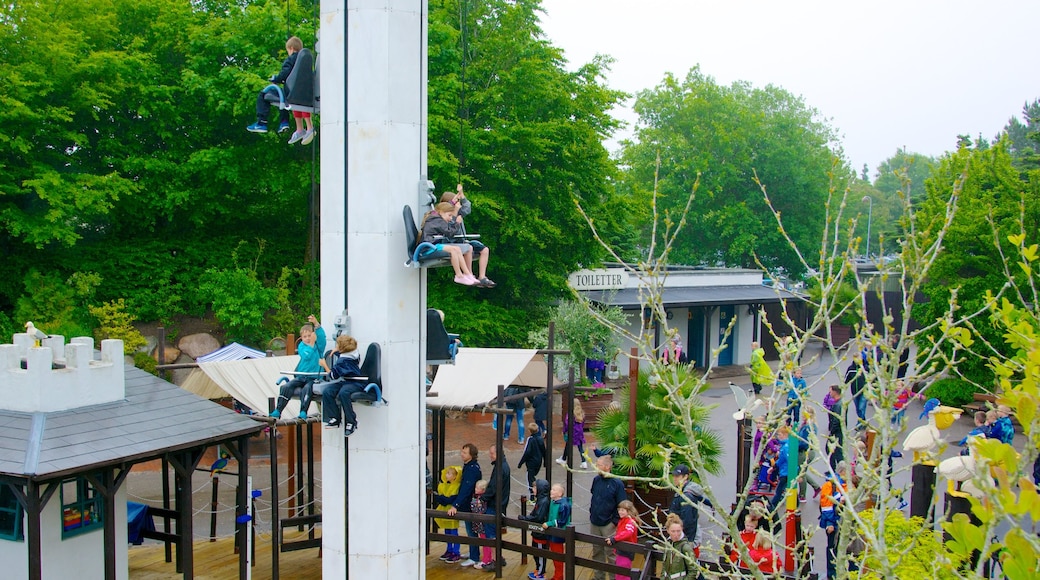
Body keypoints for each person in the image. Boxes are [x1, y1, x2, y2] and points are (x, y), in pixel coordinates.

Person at [271, 315, 328, 419]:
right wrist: (311, 343)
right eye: (304, 337)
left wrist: (316, 323)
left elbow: (322, 337)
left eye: (309, 336)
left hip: (314, 377)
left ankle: (303, 411)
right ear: (301, 338)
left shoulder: (319, 346)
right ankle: (278, 410)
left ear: (313, 336)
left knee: (307, 388)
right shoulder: (301, 346)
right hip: (302, 376)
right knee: (286, 387)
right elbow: (306, 356)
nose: (307, 338)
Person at [441, 184, 495, 287]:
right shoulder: (445, 215)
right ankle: (469, 274)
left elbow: (467, 208)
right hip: (452, 242)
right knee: (469, 248)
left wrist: (462, 195)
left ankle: (482, 277)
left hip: (461, 240)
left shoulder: (459, 212)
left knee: (484, 249)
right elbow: (450, 231)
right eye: (455, 202)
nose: (458, 204)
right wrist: (455, 215)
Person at [247, 36, 300, 134]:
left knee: (264, 94)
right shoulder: (304, 61)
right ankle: (284, 122)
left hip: (289, 93)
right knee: (282, 100)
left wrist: (276, 78)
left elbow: (285, 73)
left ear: (291, 48)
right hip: (301, 93)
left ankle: (261, 122)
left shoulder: (291, 60)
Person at [420, 202, 480, 286]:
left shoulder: (436, 218)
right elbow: (450, 232)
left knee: (457, 249)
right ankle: (459, 275)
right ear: (441, 212)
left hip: (433, 245)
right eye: (449, 215)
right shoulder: (437, 221)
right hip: (428, 248)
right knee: (453, 250)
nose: (450, 218)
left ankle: (467, 274)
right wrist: (457, 223)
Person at [588, 454, 627, 580]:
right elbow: (593, 496)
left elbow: (622, 504)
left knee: (611, 554)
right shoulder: (596, 480)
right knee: (596, 551)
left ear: (607, 467)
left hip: (609, 524)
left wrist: (614, 522)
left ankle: (613, 577)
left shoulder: (617, 483)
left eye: (598, 465)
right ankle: (598, 576)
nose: (596, 467)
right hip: (595, 521)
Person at [321, 334, 365, 436]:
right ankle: (335, 418)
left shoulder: (342, 362)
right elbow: (344, 354)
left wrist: (324, 364)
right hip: (347, 381)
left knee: (343, 393)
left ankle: (352, 421)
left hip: (356, 382)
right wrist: (337, 350)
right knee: (328, 391)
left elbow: (333, 375)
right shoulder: (354, 354)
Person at [446, 443, 482, 567]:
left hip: (470, 504)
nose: (462, 454)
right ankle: (473, 552)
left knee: (471, 530)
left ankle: (474, 556)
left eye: (465, 453)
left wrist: (455, 505)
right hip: (469, 503)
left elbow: (466, 488)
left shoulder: (471, 469)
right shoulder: (470, 466)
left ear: (471, 455)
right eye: (462, 452)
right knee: (470, 529)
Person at [475, 445, 510, 570]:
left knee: (491, 535)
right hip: (500, 505)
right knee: (494, 533)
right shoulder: (503, 466)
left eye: (492, 453)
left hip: (495, 506)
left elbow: (494, 486)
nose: (490, 455)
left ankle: (495, 560)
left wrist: (483, 499)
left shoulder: (500, 468)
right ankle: (498, 558)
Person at [668, 465, 711, 557]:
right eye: (674, 476)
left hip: (684, 537)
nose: (674, 478)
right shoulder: (685, 491)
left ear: (685, 476)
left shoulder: (686, 496)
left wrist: (677, 535)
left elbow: (687, 520)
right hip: (684, 535)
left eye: (677, 476)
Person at [819, 461, 848, 580]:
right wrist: (830, 524)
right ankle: (831, 574)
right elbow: (826, 507)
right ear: (841, 472)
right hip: (833, 522)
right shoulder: (830, 485)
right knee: (832, 547)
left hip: (844, 522)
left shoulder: (846, 484)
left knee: (843, 548)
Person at [518, 479, 551, 580]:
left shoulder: (544, 501)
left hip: (541, 532)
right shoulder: (541, 500)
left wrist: (525, 518)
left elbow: (538, 517)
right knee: (536, 551)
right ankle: (538, 569)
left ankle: (541, 572)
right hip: (537, 531)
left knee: (540, 553)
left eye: (535, 487)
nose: (533, 489)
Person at [604, 499, 642, 580]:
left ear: (628, 511)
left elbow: (628, 533)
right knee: (620, 572)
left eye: (622, 510)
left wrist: (614, 539)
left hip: (626, 551)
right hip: (621, 550)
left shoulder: (630, 522)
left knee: (623, 573)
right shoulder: (623, 520)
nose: (620, 512)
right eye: (619, 510)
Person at [433, 465, 462, 563]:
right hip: (444, 511)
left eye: (449, 473)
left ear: (455, 476)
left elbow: (450, 499)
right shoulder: (443, 485)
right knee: (447, 532)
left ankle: (456, 552)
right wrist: (442, 499)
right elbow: (440, 498)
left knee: (454, 532)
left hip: (452, 512)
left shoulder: (457, 486)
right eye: (446, 473)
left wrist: (442, 499)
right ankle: (449, 550)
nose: (446, 475)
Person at [543, 483, 571, 580]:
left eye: (554, 490)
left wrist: (549, 523)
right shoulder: (553, 502)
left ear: (560, 493)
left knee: (558, 556)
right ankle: (557, 575)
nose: (551, 491)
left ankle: (559, 576)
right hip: (552, 533)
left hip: (558, 534)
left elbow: (562, 521)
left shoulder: (564, 505)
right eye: (552, 489)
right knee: (555, 556)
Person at [660, 513, 696, 579]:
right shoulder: (668, 544)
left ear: (682, 529)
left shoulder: (685, 547)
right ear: (668, 530)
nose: (676, 534)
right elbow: (664, 566)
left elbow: (693, 571)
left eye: (678, 531)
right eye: (673, 531)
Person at [557, 399, 587, 468]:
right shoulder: (582, 413)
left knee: (568, 445)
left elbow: (567, 424)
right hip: (579, 433)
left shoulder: (570, 414)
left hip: (572, 433)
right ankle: (584, 461)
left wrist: (564, 431)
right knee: (581, 448)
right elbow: (583, 423)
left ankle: (564, 459)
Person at [469, 480, 492, 569]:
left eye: (477, 488)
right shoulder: (478, 497)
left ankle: (486, 560)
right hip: (479, 524)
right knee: (484, 542)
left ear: (483, 490)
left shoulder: (482, 499)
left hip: (482, 524)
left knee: (485, 542)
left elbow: (478, 509)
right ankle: (488, 558)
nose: (475, 489)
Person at [767, 426, 791, 514]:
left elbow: (789, 461)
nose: (778, 436)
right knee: (790, 491)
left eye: (779, 434)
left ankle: (771, 508)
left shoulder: (786, 447)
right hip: (785, 472)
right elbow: (781, 460)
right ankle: (796, 508)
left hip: (786, 473)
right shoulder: (785, 445)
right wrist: (773, 468)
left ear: (785, 435)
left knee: (779, 491)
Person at [518, 422, 546, 491]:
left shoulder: (530, 439)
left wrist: (521, 463)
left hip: (531, 463)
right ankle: (535, 492)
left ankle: (532, 495)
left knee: (530, 480)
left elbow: (527, 452)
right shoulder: (540, 439)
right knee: (533, 478)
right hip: (538, 461)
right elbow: (544, 451)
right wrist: (545, 461)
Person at [823, 384, 844, 468]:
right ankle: (835, 468)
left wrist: (832, 431)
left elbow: (836, 421)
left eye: (830, 391)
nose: (829, 393)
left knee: (836, 451)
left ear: (835, 392)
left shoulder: (837, 405)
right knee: (833, 450)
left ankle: (836, 469)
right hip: (838, 431)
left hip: (836, 432)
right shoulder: (839, 403)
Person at [844, 356, 868, 428]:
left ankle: (859, 423)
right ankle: (863, 421)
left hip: (864, 392)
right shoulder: (851, 369)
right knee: (858, 409)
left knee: (861, 407)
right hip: (854, 392)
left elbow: (872, 378)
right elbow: (846, 380)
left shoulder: (866, 368)